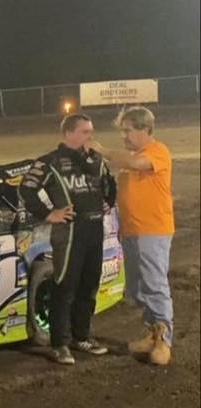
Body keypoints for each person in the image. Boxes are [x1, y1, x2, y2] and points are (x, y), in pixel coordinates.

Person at [19, 113, 116, 365]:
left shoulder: (96, 160)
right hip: (70, 233)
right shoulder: (50, 162)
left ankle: (81, 337)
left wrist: (108, 201)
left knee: (89, 286)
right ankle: (59, 344)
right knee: (65, 287)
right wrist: (49, 214)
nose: (90, 136)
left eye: (91, 131)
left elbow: (110, 186)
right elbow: (26, 189)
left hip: (95, 230)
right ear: (68, 133)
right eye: (85, 131)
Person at [88, 106, 174, 365]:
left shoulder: (157, 152)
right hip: (132, 231)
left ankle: (164, 341)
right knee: (137, 288)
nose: (123, 136)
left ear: (145, 129)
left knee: (154, 284)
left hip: (153, 231)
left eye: (127, 131)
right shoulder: (132, 159)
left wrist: (102, 151)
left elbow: (136, 163)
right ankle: (152, 332)